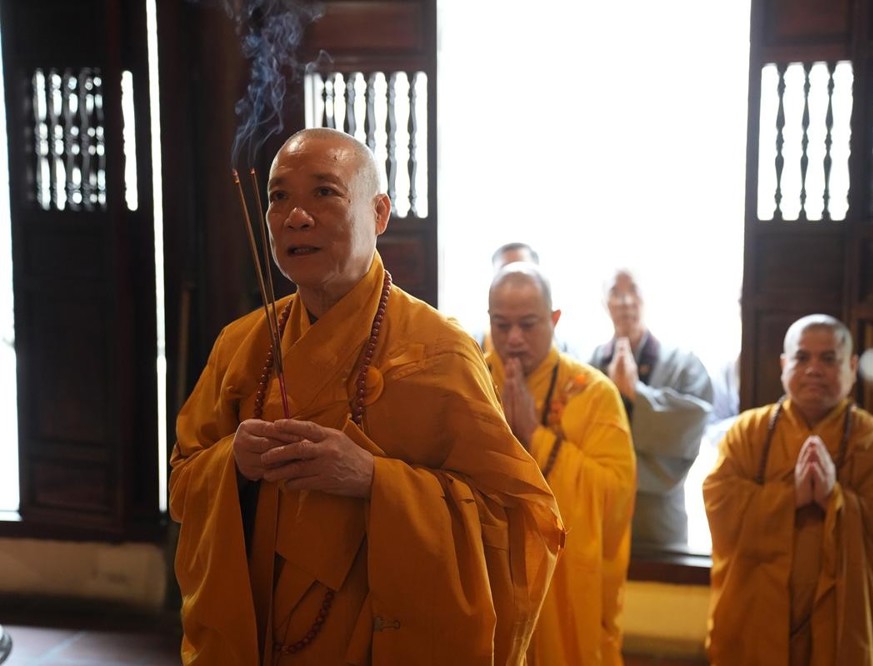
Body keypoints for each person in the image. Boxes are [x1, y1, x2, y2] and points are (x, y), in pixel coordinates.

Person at [169, 128, 564, 665]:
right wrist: (232, 464)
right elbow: (183, 486)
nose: (296, 216)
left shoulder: (439, 353)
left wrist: (374, 479)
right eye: (279, 197)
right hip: (254, 639)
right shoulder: (241, 345)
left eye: (324, 192)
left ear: (379, 213)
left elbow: (518, 519)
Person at [703, 314, 873, 665]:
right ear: (783, 365)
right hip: (757, 623)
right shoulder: (747, 434)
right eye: (802, 357)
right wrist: (790, 497)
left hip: (848, 629)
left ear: (852, 367)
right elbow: (720, 504)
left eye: (828, 359)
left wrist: (834, 500)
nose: (814, 370)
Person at [485, 262, 636, 666]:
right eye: (501, 325)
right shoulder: (470, 381)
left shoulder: (594, 394)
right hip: (489, 583)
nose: (513, 339)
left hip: (565, 594)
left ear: (553, 319)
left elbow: (616, 496)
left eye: (528, 324)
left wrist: (536, 438)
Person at [590, 268, 714, 553]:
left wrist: (635, 393)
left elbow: (692, 424)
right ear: (604, 303)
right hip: (603, 515)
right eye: (615, 293)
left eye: (633, 290)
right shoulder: (591, 365)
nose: (626, 302)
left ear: (647, 297)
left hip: (660, 521)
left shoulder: (683, 363)